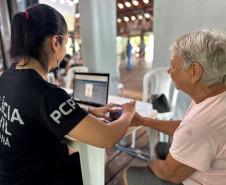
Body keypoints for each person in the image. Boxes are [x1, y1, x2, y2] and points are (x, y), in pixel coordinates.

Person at [0, 4, 136, 185]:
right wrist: (128, 113)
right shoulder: (47, 94)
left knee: (70, 149)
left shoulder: (7, 76)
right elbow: (108, 137)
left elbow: (35, 111)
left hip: (11, 171)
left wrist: (87, 111)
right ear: (55, 42)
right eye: (66, 42)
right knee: (98, 155)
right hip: (35, 178)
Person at [124, 29, 226, 185]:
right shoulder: (213, 94)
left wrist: (150, 164)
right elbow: (186, 128)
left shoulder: (201, 123)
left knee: (130, 174)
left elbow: (169, 173)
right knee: (161, 147)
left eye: (173, 65)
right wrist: (144, 121)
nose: (168, 70)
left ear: (194, 71)